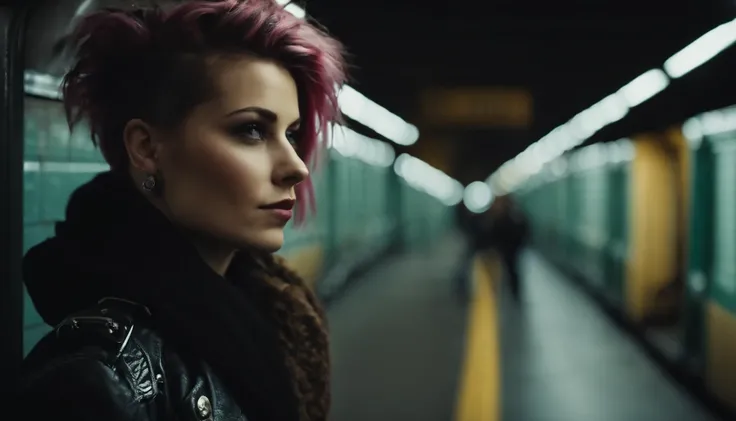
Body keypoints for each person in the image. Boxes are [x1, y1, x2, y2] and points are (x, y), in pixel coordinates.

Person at [18, 1, 347, 421]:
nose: (296, 167)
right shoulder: (94, 386)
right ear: (146, 148)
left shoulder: (272, 316)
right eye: (251, 129)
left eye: (292, 134)